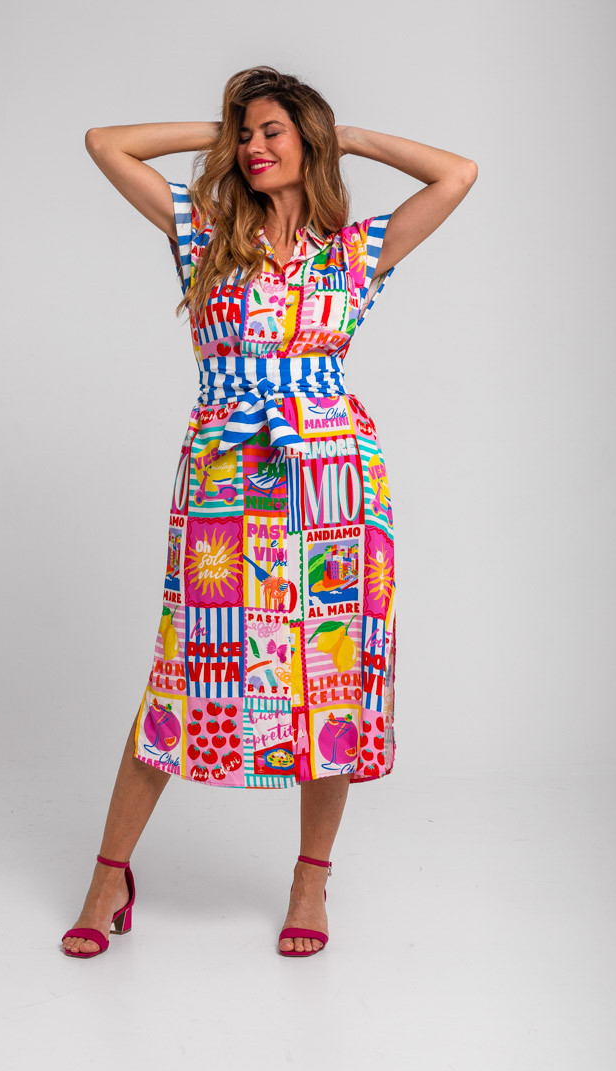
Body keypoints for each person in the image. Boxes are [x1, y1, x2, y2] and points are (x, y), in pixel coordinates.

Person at [62, 65, 477, 959]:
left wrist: (345, 137)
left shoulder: (353, 252)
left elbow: (457, 174)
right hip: (224, 478)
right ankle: (108, 875)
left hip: (331, 483)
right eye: (244, 133)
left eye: (269, 132)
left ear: (306, 142)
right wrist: (219, 134)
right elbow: (106, 144)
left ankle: (309, 879)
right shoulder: (205, 233)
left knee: (329, 679)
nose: (252, 146)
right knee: (181, 669)